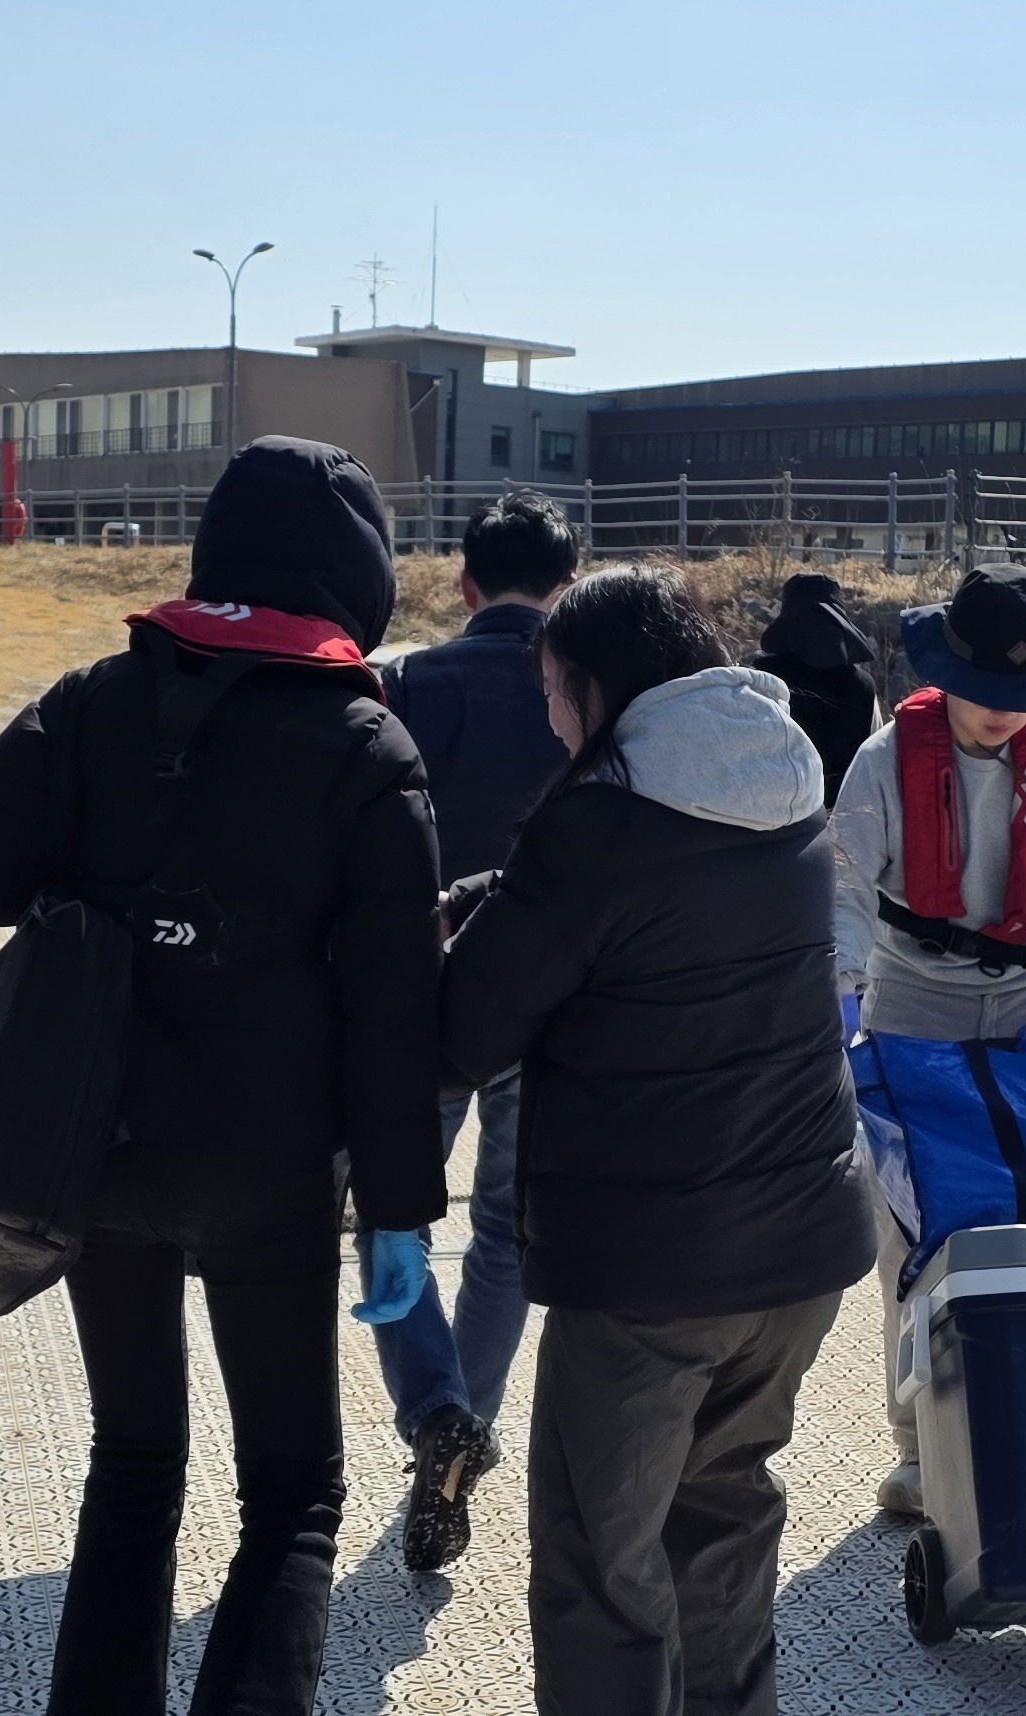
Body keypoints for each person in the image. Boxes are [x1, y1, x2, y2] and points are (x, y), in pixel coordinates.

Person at [0, 438, 450, 1716]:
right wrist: (396, 1212)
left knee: (133, 1461)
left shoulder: (93, 698)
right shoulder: (367, 745)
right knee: (292, 1494)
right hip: (270, 1171)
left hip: (94, 1143)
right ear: (357, 579)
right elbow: (395, 1012)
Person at [427, 569, 873, 1716]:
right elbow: (668, 911)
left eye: (552, 689)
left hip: (654, 1272)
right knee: (720, 1523)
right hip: (802, 1249)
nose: (548, 718)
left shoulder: (595, 821)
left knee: (601, 1569)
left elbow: (463, 1034)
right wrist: (498, 895)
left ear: (599, 683)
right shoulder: (784, 784)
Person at [825, 561, 1026, 1520]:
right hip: (908, 1007)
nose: (1004, 710)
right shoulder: (885, 760)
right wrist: (841, 993)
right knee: (911, 1239)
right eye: (987, 689)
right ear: (945, 671)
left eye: (1022, 691)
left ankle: (1022, 1425)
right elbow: (841, 887)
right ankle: (920, 1451)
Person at [364, 489, 577, 1572]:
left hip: (428, 994)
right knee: (506, 1233)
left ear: (463, 584)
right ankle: (465, 1431)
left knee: (389, 1212)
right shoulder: (588, 692)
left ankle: (436, 1408)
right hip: (550, 999)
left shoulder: (409, 684)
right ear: (567, 588)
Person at [745, 571, 879, 804]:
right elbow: (873, 758)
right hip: (843, 812)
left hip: (773, 811)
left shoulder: (762, 679)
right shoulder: (863, 685)